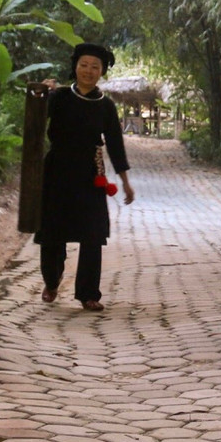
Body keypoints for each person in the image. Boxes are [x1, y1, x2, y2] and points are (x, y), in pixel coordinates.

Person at [36, 42, 135, 311]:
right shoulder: (58, 98)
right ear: (75, 66)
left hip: (90, 175)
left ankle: (88, 293)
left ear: (102, 72)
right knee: (52, 232)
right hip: (56, 171)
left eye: (95, 67)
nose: (88, 71)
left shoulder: (106, 106)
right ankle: (52, 281)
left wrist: (125, 181)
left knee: (92, 233)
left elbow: (115, 144)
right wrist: (41, 94)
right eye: (83, 65)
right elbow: (34, 121)